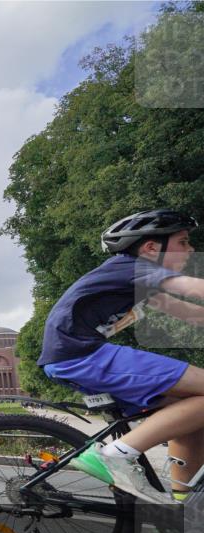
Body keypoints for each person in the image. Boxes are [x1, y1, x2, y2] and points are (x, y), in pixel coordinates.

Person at [38, 210, 204, 504]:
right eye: (183, 241)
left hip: (78, 358)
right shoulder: (132, 268)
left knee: (191, 412)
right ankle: (113, 455)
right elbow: (193, 289)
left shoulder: (137, 280)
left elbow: (191, 314)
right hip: (82, 356)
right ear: (151, 248)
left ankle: (185, 504)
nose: (191, 250)